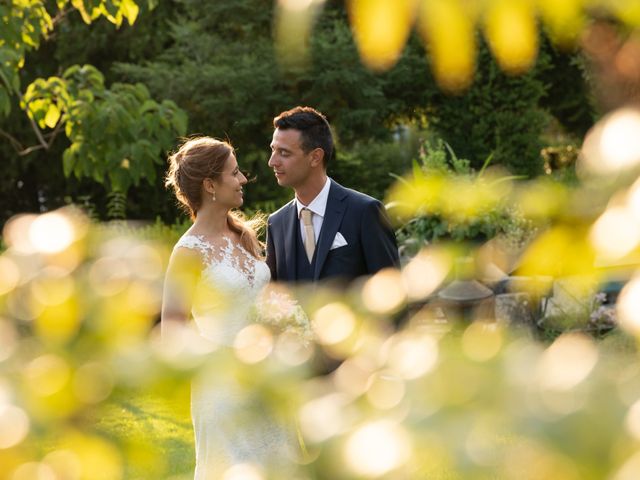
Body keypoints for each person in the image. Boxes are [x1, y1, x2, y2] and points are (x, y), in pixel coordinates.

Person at [161, 137, 291, 479]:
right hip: (223, 392)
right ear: (210, 185)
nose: (243, 179)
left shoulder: (244, 235)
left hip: (268, 383)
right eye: (234, 173)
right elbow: (171, 334)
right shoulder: (188, 252)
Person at [266, 106, 400, 283]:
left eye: (284, 153)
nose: (272, 161)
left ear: (315, 157)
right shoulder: (276, 223)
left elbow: (393, 293)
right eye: (273, 150)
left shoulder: (365, 212)